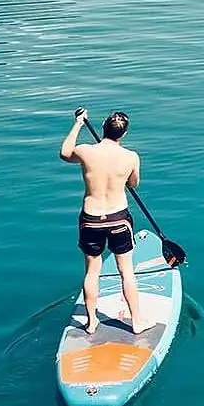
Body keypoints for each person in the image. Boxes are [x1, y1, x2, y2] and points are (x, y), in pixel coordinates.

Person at [60, 108, 152, 336]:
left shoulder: (85, 151)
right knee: (126, 271)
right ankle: (137, 322)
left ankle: (91, 323)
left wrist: (79, 123)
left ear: (103, 128)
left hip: (91, 219)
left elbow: (64, 153)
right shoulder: (131, 157)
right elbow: (133, 184)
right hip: (118, 218)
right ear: (124, 134)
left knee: (92, 271)